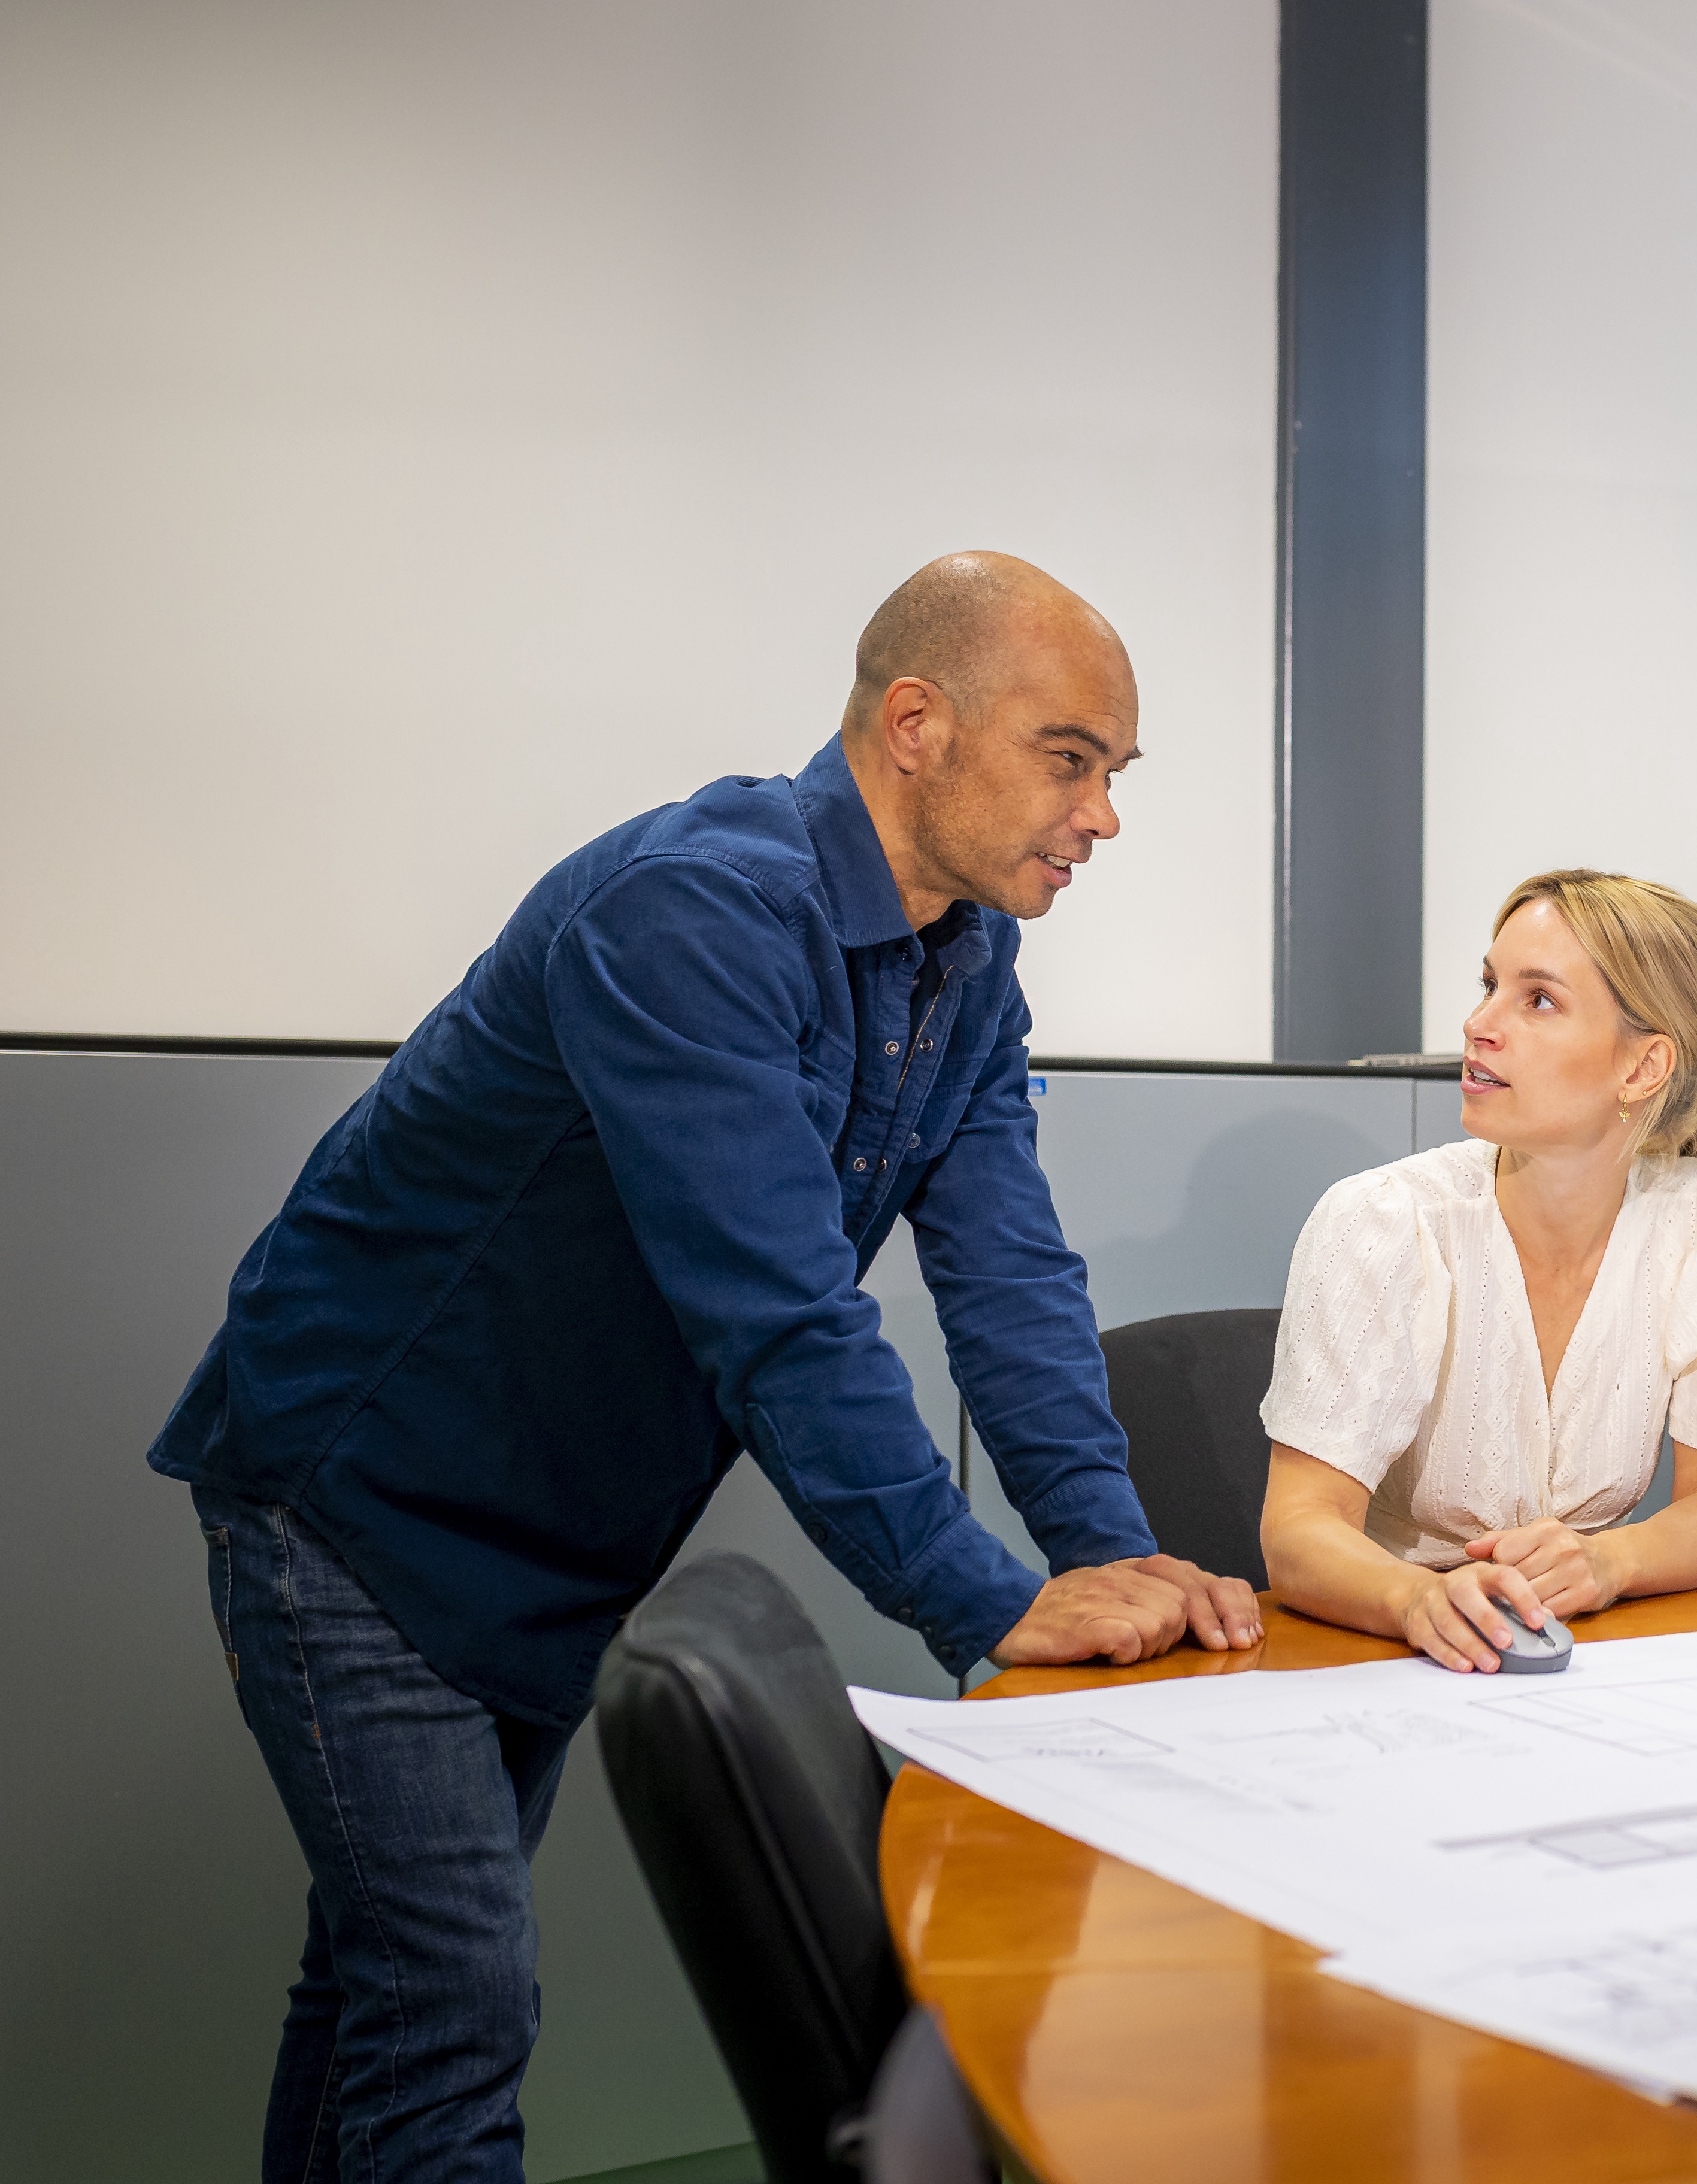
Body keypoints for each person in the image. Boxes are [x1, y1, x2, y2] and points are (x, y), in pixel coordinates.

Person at [147, 552, 1261, 2183]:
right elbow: (778, 1312)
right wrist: (983, 1600)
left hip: (550, 1528)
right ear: (916, 725)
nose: (1101, 815)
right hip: (357, 1508)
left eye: (1115, 773)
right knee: (451, 2004)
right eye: (1070, 757)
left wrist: (1101, 1549)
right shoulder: (695, 908)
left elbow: (1009, 1273)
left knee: (389, 1991)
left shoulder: (967, 961)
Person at [1259, 870, 1697, 1670]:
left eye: (1537, 999)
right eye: (1489, 986)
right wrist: (1416, 1600)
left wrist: (1611, 1562)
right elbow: (1299, 1529)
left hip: (1573, 1652)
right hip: (1389, 1655)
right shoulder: (1384, 1220)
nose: (1479, 1024)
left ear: (1643, 1068)